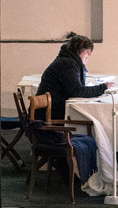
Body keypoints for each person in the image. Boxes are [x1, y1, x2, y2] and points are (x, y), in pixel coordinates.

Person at [35, 32, 111, 182]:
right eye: (87, 54)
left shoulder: (68, 60)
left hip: (51, 114)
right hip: (51, 121)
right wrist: (103, 87)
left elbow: (76, 88)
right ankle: (87, 176)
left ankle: (77, 173)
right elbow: (77, 91)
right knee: (93, 128)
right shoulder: (68, 64)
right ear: (81, 51)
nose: (87, 58)